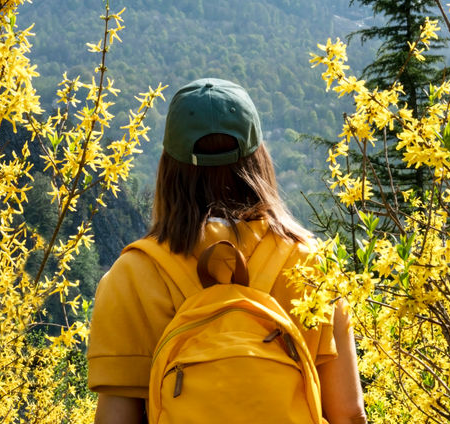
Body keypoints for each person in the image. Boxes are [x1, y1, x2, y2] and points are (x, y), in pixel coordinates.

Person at [88, 78, 367, 424]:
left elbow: (116, 419)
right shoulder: (311, 263)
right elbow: (349, 414)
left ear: (168, 169)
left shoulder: (131, 275)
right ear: (259, 160)